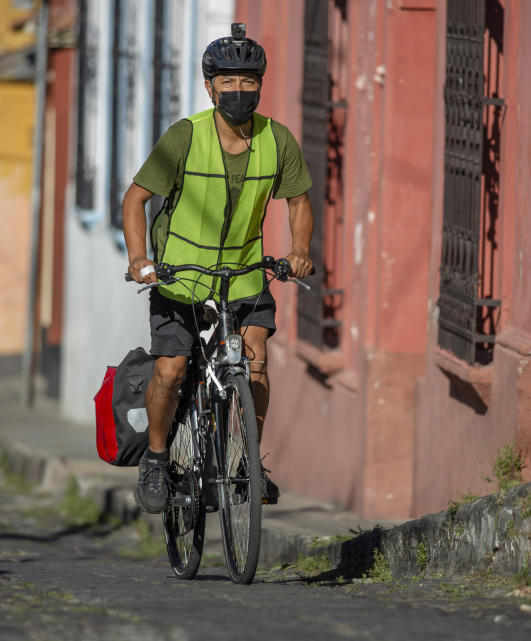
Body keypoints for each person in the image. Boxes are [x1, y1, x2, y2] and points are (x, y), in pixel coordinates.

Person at [122, 23, 314, 514]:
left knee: (255, 361)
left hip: (245, 270)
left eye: (249, 81)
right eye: (227, 81)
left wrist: (299, 249)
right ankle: (158, 459)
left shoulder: (278, 140)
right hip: (180, 274)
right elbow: (136, 198)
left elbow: (298, 202)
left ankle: (246, 458)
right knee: (171, 368)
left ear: (260, 86)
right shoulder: (185, 137)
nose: (238, 91)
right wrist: (140, 260)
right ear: (209, 87)